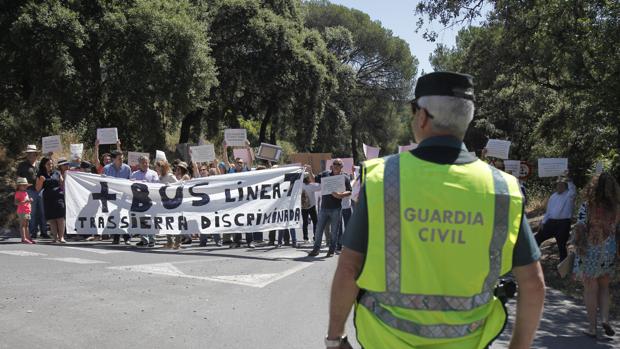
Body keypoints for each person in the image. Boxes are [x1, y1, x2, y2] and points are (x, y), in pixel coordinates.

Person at [326, 72, 545, 349]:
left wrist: (335, 339)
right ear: (467, 118)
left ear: (422, 117)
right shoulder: (503, 189)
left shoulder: (384, 179)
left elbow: (348, 268)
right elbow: (534, 284)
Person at [572, 172, 619, 338]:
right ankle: (605, 319)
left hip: (590, 249)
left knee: (590, 288)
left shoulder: (587, 204)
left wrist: (576, 246)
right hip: (609, 249)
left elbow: (580, 226)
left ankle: (592, 327)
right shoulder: (616, 207)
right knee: (605, 286)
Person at [308, 158, 352, 257]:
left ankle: (331, 250)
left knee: (334, 231)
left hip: (336, 209)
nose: (336, 165)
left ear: (342, 167)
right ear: (332, 165)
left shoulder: (345, 177)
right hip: (324, 208)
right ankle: (316, 249)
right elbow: (313, 179)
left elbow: (349, 191)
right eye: (334, 163)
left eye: (338, 164)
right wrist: (310, 170)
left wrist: (341, 195)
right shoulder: (325, 174)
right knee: (319, 230)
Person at [536, 174, 577, 262]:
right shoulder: (553, 196)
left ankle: (563, 268)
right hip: (551, 223)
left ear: (565, 186)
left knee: (561, 245)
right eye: (558, 184)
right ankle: (533, 260)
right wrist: (543, 222)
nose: (559, 186)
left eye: (561, 184)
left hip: (563, 224)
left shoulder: (569, 195)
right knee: (536, 239)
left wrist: (568, 179)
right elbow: (548, 212)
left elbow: (573, 189)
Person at [16, 145, 47, 239]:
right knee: (31, 212)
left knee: (43, 212)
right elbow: (18, 178)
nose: (30, 155)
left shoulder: (39, 164)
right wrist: (22, 188)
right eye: (28, 153)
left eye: (32, 153)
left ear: (36, 154)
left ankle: (44, 232)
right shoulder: (22, 165)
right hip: (28, 191)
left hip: (41, 190)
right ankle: (33, 232)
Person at [35, 158, 66, 243]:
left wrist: (64, 178)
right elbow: (37, 189)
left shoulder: (57, 173)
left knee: (60, 217)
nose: (51, 165)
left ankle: (61, 237)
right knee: (52, 218)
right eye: (48, 164)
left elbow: (62, 184)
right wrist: (41, 181)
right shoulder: (41, 174)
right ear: (44, 165)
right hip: (48, 198)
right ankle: (55, 238)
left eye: (51, 164)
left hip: (59, 197)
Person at [103, 150, 131, 244]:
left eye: (122, 158)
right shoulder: (107, 168)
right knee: (114, 216)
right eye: (119, 159)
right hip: (111, 196)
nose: (122, 160)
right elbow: (103, 181)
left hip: (123, 195)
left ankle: (126, 236)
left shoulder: (127, 168)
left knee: (123, 215)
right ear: (113, 159)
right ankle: (116, 236)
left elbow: (129, 181)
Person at [131, 155, 159, 247]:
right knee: (141, 220)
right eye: (143, 163)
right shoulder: (134, 174)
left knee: (150, 220)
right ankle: (144, 239)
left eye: (147, 162)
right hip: (139, 201)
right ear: (139, 164)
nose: (145, 164)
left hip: (150, 201)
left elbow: (156, 186)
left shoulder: (153, 173)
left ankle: (152, 239)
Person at [301, 167, 320, 242]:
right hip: (311, 206)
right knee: (315, 222)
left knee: (305, 223)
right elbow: (320, 187)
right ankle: (315, 237)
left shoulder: (300, 185)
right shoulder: (311, 186)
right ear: (307, 178)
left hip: (303, 206)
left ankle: (305, 238)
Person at [14, 177, 34, 244]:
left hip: (27, 210)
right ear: (19, 186)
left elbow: (26, 201)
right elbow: (16, 202)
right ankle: (24, 238)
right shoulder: (18, 193)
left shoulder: (25, 192)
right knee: (23, 225)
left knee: (26, 225)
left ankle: (28, 238)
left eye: (26, 185)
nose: (25, 186)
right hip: (22, 211)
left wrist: (29, 201)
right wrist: (25, 201)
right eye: (24, 185)